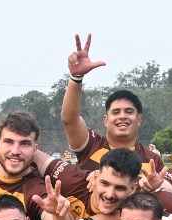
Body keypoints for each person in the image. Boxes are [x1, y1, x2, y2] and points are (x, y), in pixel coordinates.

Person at [61, 34, 164, 175]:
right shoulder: (91, 146)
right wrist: (76, 77)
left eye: (129, 111)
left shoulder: (153, 161)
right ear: (105, 120)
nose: (122, 116)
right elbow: (70, 119)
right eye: (115, 112)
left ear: (139, 119)